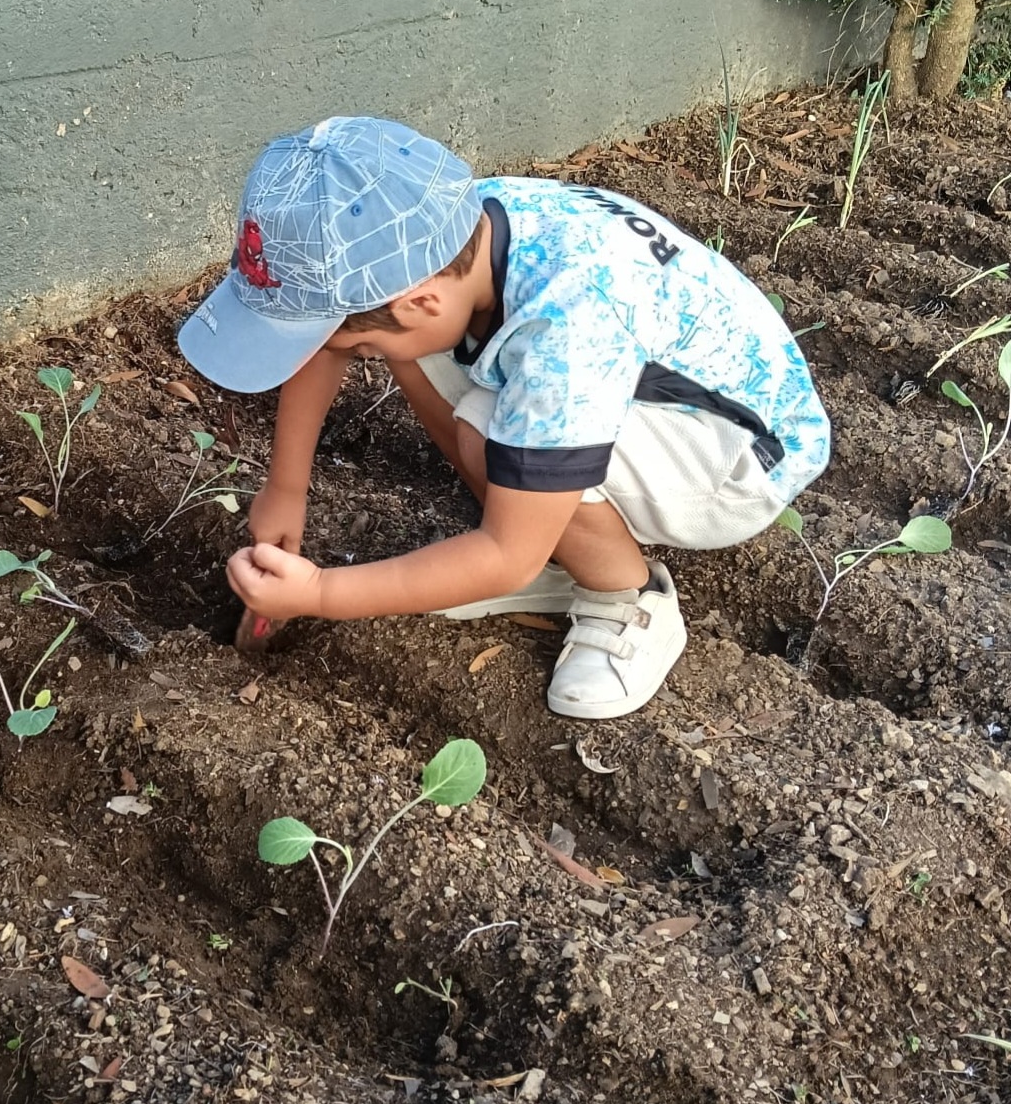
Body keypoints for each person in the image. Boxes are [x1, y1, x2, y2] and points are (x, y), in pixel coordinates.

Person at [178, 116, 831, 720]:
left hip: (739, 461)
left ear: (419, 302)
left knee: (494, 431)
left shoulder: (568, 328)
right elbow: (326, 339)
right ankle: (553, 534)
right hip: (651, 390)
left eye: (358, 346)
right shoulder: (441, 230)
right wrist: (285, 487)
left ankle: (625, 598)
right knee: (435, 373)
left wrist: (319, 594)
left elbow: (504, 557)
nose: (350, 355)